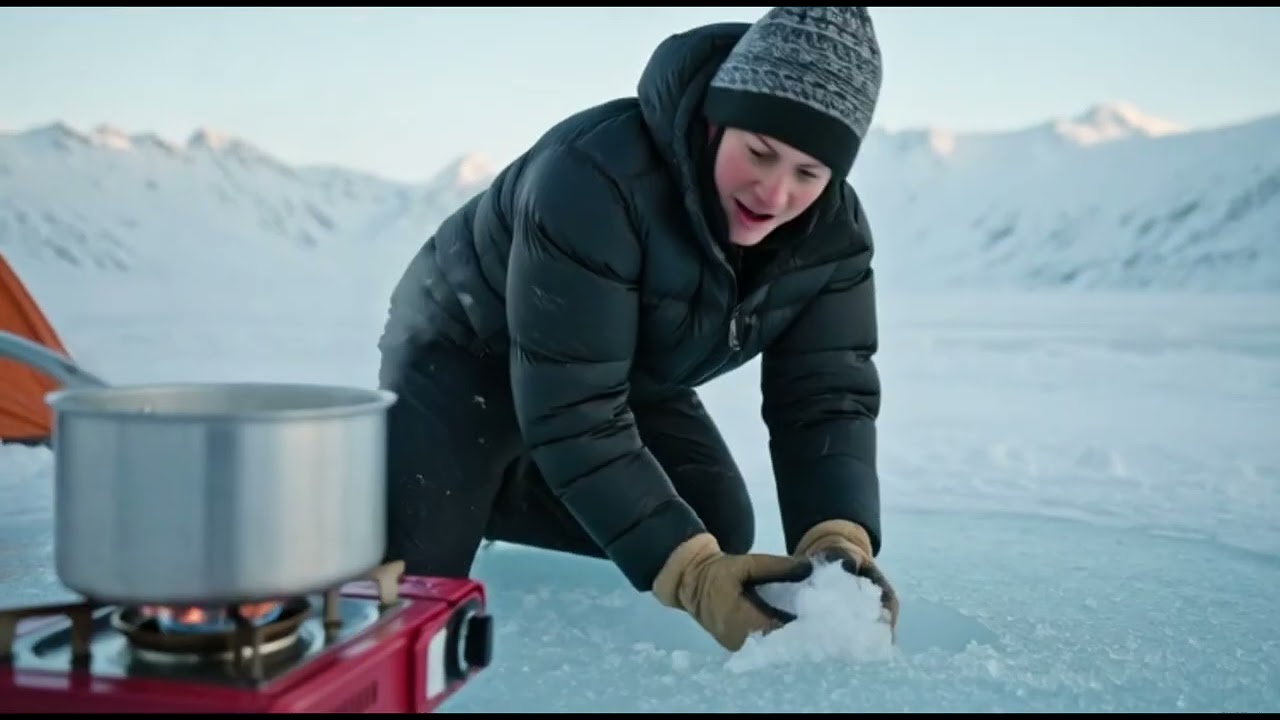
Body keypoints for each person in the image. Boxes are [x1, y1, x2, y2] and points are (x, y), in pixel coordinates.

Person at [377, 6, 898, 652]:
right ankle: (404, 479)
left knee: (713, 525)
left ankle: (492, 486)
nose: (774, 192)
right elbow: (576, 414)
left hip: (614, 363)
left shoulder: (833, 238)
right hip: (463, 349)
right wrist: (693, 578)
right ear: (716, 118)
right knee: (418, 598)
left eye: (808, 173)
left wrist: (837, 539)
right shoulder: (593, 181)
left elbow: (825, 393)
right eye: (759, 152)